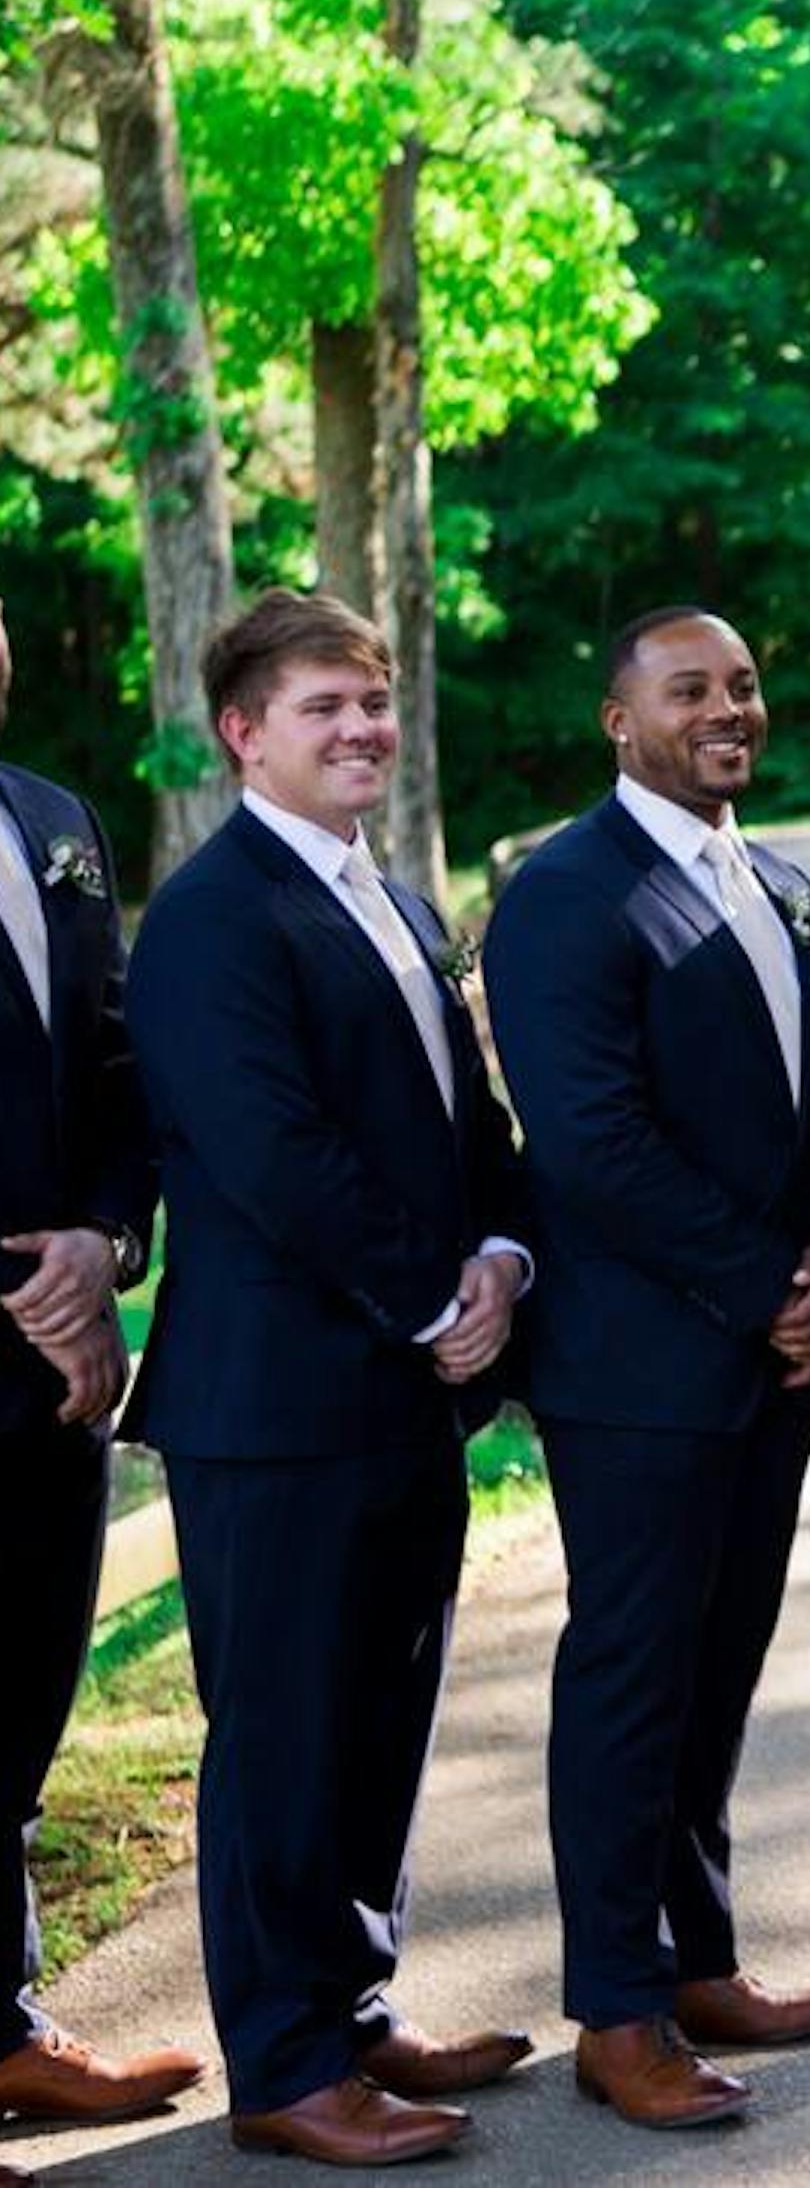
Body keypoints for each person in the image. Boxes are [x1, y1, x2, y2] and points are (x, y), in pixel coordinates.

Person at [123, 592, 534, 2168]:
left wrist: (504, 1254)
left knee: (382, 1717)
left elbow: (459, 1116)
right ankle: (285, 2064)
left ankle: (355, 2007)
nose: (363, 726)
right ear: (243, 733)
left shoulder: (394, 897)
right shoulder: (218, 918)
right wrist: (432, 1292)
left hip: (405, 1392)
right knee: (285, 1738)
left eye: (372, 700)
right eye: (323, 707)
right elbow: (276, 1154)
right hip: (275, 1407)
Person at [482, 609, 810, 2127]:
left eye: (744, 683)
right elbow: (590, 1144)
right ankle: (618, 2007)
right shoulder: (564, 894)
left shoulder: (780, 886)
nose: (728, 707)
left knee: (721, 1674)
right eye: (690, 689)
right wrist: (767, 1280)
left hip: (772, 1366)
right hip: (638, 1369)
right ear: (618, 718)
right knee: (634, 1678)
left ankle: (700, 1954)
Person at [0, 593, 202, 2147]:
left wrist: (104, 1243)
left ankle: (2, 2021)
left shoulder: (56, 818)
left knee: (21, 1697)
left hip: (56, 1361)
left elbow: (121, 1063)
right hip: (19, 1319)